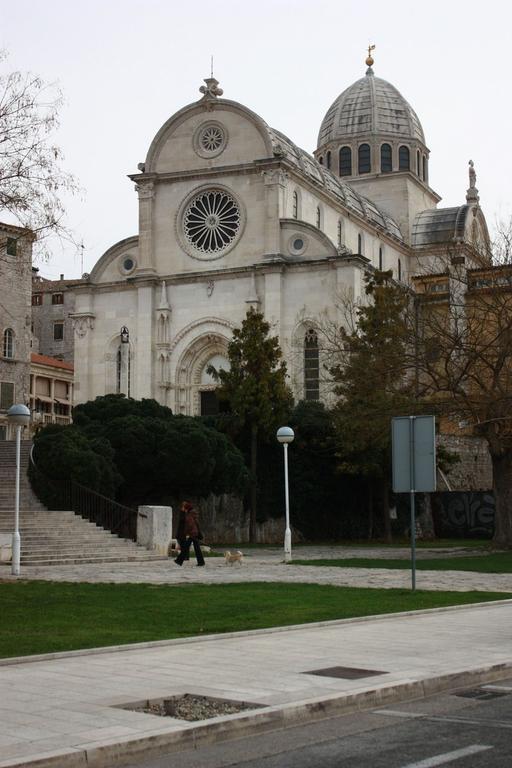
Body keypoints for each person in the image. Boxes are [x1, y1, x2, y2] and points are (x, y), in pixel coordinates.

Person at [174, 501, 205, 566]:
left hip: (192, 533)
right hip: (194, 533)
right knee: (194, 548)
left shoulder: (189, 515)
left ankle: (179, 560)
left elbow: (189, 525)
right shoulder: (192, 513)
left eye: (183, 507)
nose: (182, 508)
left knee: (188, 547)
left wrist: (186, 533)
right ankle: (200, 562)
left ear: (186, 508)